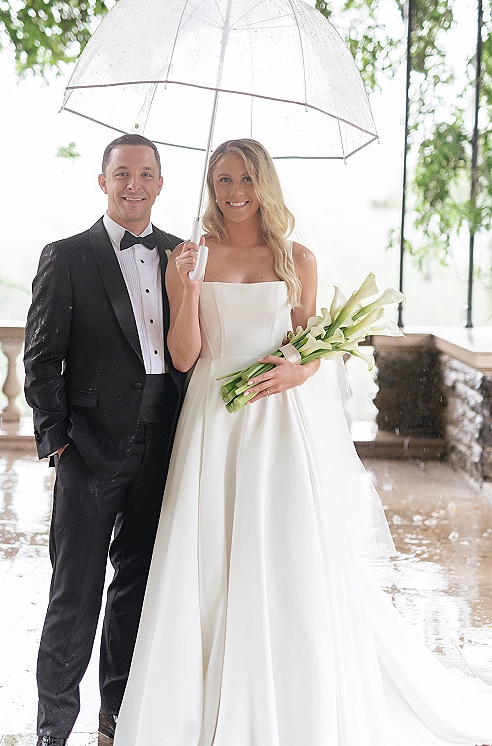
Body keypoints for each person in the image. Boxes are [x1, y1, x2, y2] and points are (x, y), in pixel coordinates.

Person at [115, 138, 492, 745]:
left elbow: (309, 349)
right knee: (207, 549)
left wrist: (296, 371)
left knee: (279, 544)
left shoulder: (299, 259)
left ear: (265, 184)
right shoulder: (189, 257)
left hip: (276, 420)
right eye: (223, 180)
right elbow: (185, 356)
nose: (235, 192)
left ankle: (289, 698)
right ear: (210, 188)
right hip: (213, 417)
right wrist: (185, 286)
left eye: (246, 179)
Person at [23, 134, 186, 746]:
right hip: (88, 451)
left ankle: (116, 716)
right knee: (75, 593)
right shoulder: (66, 256)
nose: (134, 185)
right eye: (122, 174)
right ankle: (53, 728)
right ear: (103, 181)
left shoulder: (182, 255)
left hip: (164, 447)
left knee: (136, 589)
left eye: (145, 174)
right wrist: (58, 441)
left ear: (161, 184)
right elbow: (41, 358)